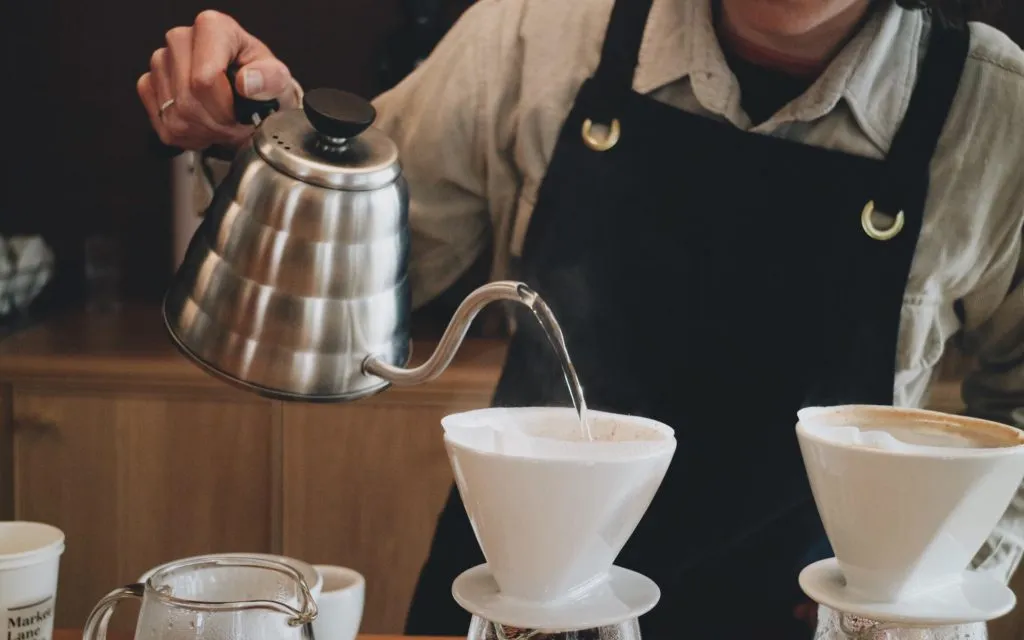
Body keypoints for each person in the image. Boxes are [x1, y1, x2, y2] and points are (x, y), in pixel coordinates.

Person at [138, 0, 1024, 636]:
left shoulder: (998, 113)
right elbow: (334, 305)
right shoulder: (536, 30)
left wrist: (937, 580)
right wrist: (257, 139)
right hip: (523, 611)